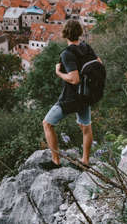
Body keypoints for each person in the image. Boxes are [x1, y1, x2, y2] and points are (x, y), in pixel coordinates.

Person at [43, 19, 102, 168]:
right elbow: (99, 64)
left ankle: (55, 161)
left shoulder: (67, 54)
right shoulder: (86, 48)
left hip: (71, 97)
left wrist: (58, 72)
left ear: (65, 34)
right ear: (79, 33)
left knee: (47, 123)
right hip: (86, 95)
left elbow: (74, 79)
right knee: (86, 128)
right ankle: (85, 161)